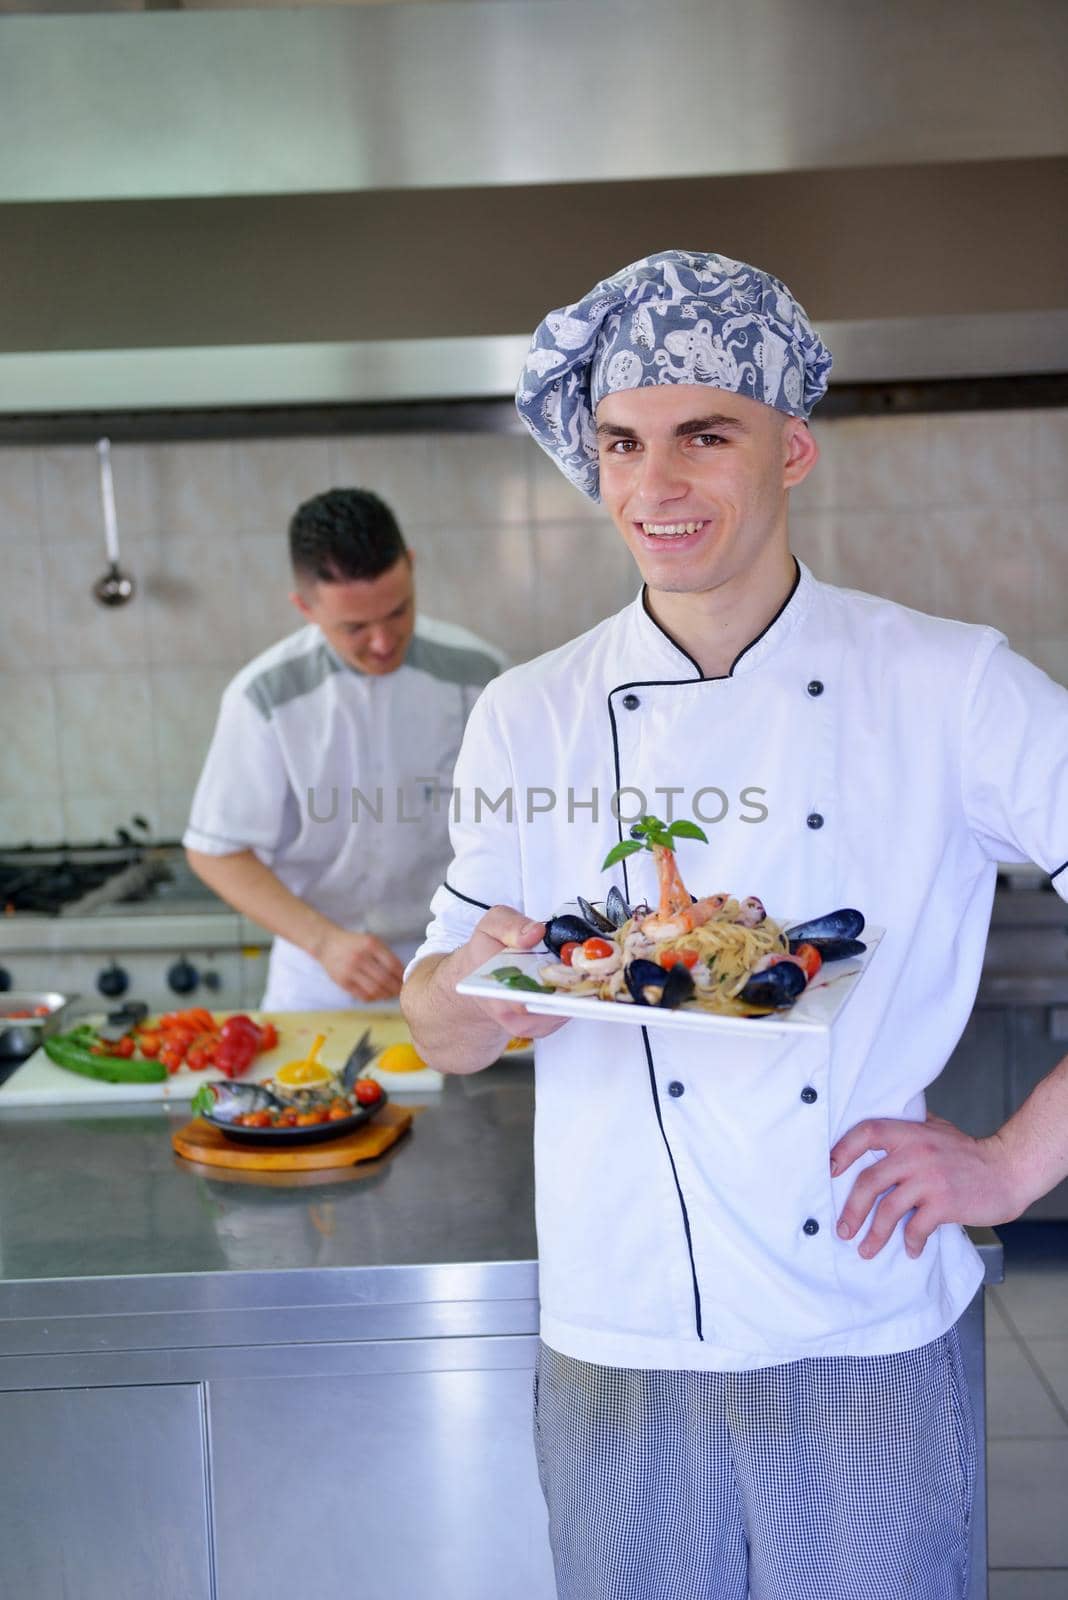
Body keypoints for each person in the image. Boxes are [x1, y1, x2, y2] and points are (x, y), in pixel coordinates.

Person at [401, 252, 1068, 1599]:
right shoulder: (529, 709)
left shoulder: (947, 685)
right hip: (618, 1329)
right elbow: (442, 1014)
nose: (658, 486)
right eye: (624, 445)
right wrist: (468, 1002)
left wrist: (1009, 1168)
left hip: (862, 1317)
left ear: (792, 448)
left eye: (706, 436)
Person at [185, 486, 505, 1011]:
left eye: (398, 612)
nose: (382, 642)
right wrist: (324, 943)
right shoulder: (264, 698)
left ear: (411, 566)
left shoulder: (482, 676)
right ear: (304, 608)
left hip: (458, 961)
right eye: (354, 627)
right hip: (320, 974)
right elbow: (215, 851)